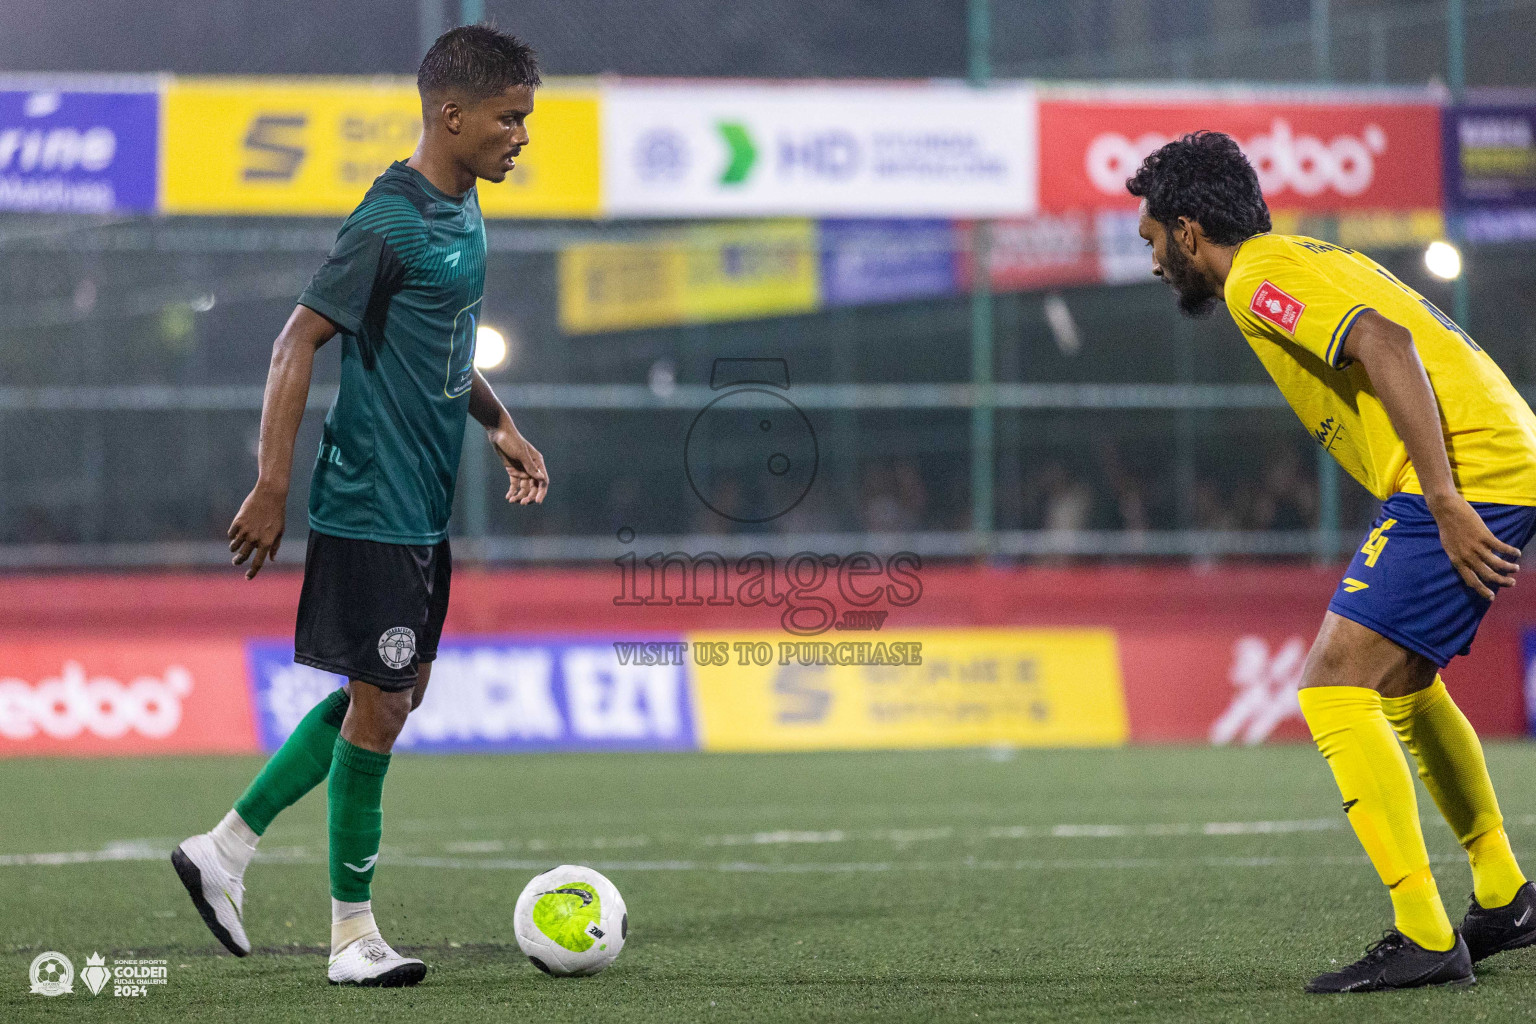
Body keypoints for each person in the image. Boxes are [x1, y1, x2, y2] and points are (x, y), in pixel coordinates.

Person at [170, 24, 548, 988]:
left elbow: (447, 345)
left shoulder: (464, 212)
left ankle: (224, 850)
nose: (521, 137)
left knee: (397, 694)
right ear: (450, 116)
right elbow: (296, 342)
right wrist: (271, 483)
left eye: (526, 120)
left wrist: (499, 422)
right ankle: (351, 938)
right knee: (380, 711)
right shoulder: (390, 220)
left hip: (420, 509)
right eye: (509, 120)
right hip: (369, 501)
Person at [1128, 131, 1536, 993]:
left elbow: (1385, 344)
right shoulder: (1302, 254)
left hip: (1469, 473)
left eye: (1152, 238)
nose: (1155, 260)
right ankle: (1503, 898)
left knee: (1329, 683)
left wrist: (1443, 498)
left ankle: (1424, 933)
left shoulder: (1254, 280)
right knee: (1404, 685)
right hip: (1496, 454)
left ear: (1189, 230)